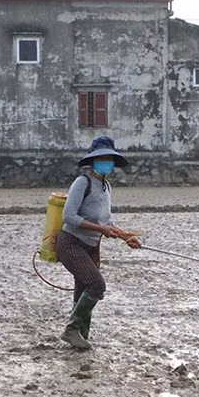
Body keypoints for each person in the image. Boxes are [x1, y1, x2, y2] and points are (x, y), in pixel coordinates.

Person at [55, 136, 141, 350]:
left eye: (109, 158)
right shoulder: (82, 183)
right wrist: (100, 229)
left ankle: (81, 337)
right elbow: (69, 217)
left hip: (90, 247)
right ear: (92, 161)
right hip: (71, 244)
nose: (105, 162)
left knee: (83, 289)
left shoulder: (106, 187)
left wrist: (126, 237)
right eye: (101, 158)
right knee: (97, 285)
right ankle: (71, 330)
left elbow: (107, 221)